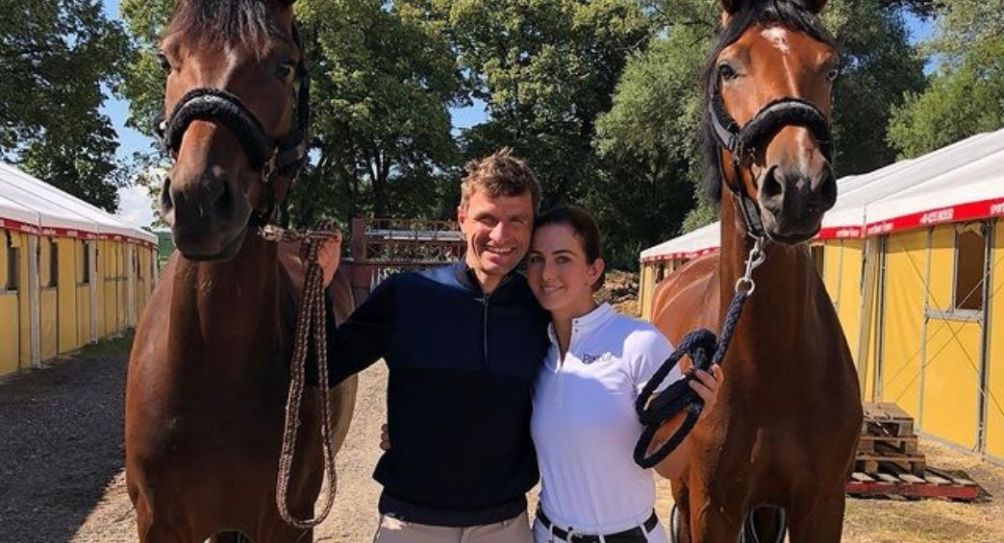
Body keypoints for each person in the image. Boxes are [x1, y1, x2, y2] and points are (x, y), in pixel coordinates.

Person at [318, 149, 549, 543]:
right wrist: (320, 288)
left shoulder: (542, 311)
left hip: (506, 525)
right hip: (411, 524)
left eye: (517, 221)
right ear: (462, 220)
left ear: (531, 227)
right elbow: (323, 368)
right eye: (487, 218)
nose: (501, 235)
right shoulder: (407, 296)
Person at [525, 205, 723, 543]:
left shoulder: (639, 344)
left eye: (563, 259)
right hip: (546, 535)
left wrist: (696, 418)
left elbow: (669, 468)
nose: (546, 273)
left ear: (594, 270)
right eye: (536, 258)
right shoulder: (533, 350)